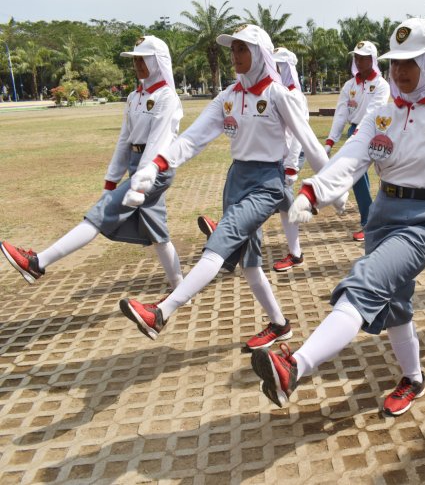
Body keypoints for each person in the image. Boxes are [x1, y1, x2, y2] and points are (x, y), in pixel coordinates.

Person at [249, 18, 425, 416]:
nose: (401, 72)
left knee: (364, 284)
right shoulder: (381, 114)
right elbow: (351, 159)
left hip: (423, 221)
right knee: (396, 304)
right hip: (383, 215)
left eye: (410, 63)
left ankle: (294, 366)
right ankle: (414, 378)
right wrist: (313, 191)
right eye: (396, 64)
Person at [117, 25, 333, 349]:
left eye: (243, 49)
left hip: (267, 184)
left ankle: (161, 312)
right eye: (233, 49)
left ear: (260, 53)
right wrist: (156, 165)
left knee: (219, 242)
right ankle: (280, 324)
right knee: (250, 264)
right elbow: (193, 138)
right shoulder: (228, 97)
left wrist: (331, 188)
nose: (235, 55)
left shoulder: (278, 95)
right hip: (236, 181)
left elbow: (309, 144)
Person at [2, 36, 185, 296]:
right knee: (158, 233)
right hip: (138, 165)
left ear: (158, 62)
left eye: (143, 59)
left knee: (98, 215)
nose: (138, 65)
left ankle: (37, 263)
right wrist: (111, 182)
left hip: (155, 169)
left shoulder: (167, 98)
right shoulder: (134, 97)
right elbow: (125, 141)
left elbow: (158, 144)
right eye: (135, 60)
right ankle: (181, 289)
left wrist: (138, 183)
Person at [196, 46, 313, 273]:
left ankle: (228, 229)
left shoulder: (291, 95)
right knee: (283, 205)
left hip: (281, 161)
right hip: (274, 161)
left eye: (278, 65)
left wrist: (291, 168)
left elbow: (301, 136)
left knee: (271, 202)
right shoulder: (265, 91)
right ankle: (293, 253)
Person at [324, 40, 390, 241]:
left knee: (386, 176)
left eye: (363, 57)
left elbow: (373, 112)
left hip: (378, 132)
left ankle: (385, 219)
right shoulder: (349, 85)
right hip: (355, 131)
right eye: (357, 57)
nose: (359, 61)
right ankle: (368, 222)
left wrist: (358, 134)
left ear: (373, 59)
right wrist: (330, 140)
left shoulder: (381, 84)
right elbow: (341, 113)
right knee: (358, 177)